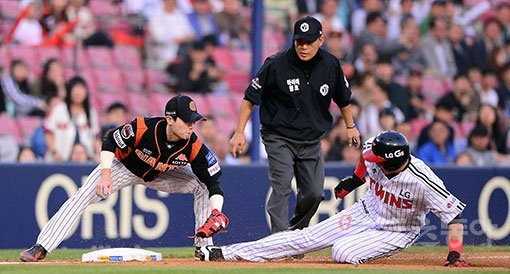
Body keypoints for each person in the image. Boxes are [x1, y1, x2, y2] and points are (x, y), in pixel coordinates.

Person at [200, 131, 469, 267]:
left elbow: (453, 217)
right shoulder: (375, 149)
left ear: (392, 160)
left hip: (398, 230)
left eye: (378, 158)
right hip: (366, 211)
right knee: (304, 238)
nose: (371, 157)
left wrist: (454, 253)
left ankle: (356, 246)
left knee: (342, 252)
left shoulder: (422, 179)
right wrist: (356, 179)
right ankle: (225, 253)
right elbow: (365, 157)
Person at [20, 94, 229, 262]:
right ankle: (42, 246)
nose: (192, 126)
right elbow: (110, 140)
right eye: (187, 121)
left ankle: (204, 249)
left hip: (161, 174)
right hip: (125, 167)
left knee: (201, 185)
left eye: (194, 120)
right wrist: (105, 174)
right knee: (82, 196)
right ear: (170, 119)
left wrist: (215, 212)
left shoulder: (193, 146)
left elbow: (213, 182)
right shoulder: (144, 128)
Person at [229, 17, 361, 234]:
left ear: (321, 40)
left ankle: (296, 233)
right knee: (281, 184)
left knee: (315, 193)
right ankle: (280, 240)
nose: (304, 47)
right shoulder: (276, 64)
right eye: (299, 42)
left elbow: (343, 98)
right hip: (278, 136)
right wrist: (239, 132)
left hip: (311, 140)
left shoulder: (331, 64)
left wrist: (350, 126)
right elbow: (250, 98)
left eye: (309, 42)